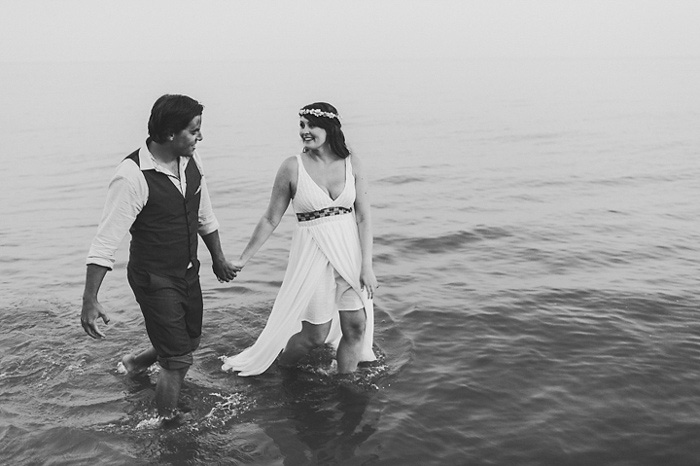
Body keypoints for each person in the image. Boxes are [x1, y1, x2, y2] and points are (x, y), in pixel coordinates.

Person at [80, 94, 238, 423]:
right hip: (153, 278)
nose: (200, 137)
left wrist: (217, 258)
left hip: (188, 272)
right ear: (169, 134)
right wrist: (90, 298)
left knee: (190, 341)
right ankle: (167, 424)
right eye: (194, 131)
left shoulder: (193, 161)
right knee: (178, 360)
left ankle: (136, 363)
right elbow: (105, 241)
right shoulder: (131, 176)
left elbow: (203, 215)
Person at [221, 102, 378, 377]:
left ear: (330, 128)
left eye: (310, 125)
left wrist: (367, 265)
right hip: (313, 255)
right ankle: (285, 370)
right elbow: (271, 218)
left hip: (350, 255)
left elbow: (363, 218)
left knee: (356, 326)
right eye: (301, 126)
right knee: (315, 335)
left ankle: (346, 382)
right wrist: (243, 259)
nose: (304, 132)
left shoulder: (353, 163)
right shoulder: (292, 167)